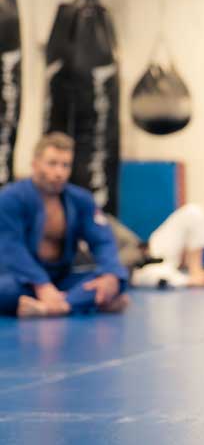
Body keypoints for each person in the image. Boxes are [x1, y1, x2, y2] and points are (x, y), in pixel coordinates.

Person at [0, 132, 129, 317]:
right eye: (52, 164)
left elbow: (102, 241)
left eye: (65, 165)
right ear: (35, 164)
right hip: (20, 279)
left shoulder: (80, 200)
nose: (59, 172)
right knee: (8, 290)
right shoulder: (10, 198)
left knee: (116, 280)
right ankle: (82, 302)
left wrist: (110, 275)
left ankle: (55, 307)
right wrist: (41, 285)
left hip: (60, 279)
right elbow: (11, 249)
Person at [109, 205, 204, 289]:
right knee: (159, 278)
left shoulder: (100, 219)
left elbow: (130, 240)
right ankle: (192, 280)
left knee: (193, 212)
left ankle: (197, 271)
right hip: (138, 270)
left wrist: (142, 250)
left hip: (151, 248)